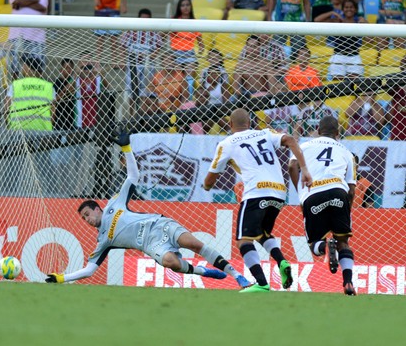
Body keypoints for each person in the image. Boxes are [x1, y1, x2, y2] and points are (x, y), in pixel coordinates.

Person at [45, 127, 252, 289]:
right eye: (84, 219)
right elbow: (89, 270)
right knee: (171, 261)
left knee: (194, 244)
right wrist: (62, 278)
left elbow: (133, 177)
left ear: (98, 208)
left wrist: (126, 149)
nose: (87, 220)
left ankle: (237, 276)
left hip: (159, 224)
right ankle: (201, 272)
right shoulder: (103, 240)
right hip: (152, 245)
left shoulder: (114, 203)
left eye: (87, 214)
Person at [203, 108, 313, 293]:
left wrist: (206, 186)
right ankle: (282, 261)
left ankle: (261, 282)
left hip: (256, 192)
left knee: (243, 241)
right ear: (250, 123)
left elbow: (209, 180)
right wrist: (305, 169)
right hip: (278, 192)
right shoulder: (265, 133)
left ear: (230, 125)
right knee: (261, 233)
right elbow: (291, 140)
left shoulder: (226, 143)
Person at [287, 115, 357, 295]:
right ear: (338, 133)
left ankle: (325, 247)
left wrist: (302, 195)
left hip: (313, 194)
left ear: (318, 131)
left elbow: (291, 167)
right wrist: (345, 208)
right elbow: (351, 190)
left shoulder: (304, 146)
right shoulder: (346, 152)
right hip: (338, 193)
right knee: (343, 241)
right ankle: (348, 282)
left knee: (314, 245)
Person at [119, 8, 163, 117]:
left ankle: (141, 114)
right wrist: (123, 59)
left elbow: (159, 48)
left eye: (147, 19)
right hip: (133, 63)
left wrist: (148, 57)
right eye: (142, 19)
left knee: (144, 91)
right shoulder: (131, 30)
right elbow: (122, 45)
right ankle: (131, 115)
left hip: (148, 65)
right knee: (131, 90)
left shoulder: (153, 32)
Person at [8, 0, 48, 78]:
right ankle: (14, 92)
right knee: (14, 67)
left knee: (38, 67)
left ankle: (35, 92)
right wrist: (35, 0)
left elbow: (42, 8)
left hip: (37, 36)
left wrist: (22, 1)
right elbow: (16, 2)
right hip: (17, 34)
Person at [316, 0, 366, 80]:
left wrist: (365, 22)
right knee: (338, 87)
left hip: (354, 56)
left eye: (351, 7)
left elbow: (370, 35)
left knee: (354, 85)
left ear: (356, 9)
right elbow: (317, 20)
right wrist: (332, 12)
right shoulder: (337, 21)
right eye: (346, 7)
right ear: (342, 9)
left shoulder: (359, 21)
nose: (349, 9)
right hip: (338, 56)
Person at [6, 55, 55, 131]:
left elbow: (7, 107)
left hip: (18, 130)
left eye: (24, 65)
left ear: (28, 68)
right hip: (43, 131)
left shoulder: (15, 85)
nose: (22, 68)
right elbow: (53, 112)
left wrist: (9, 124)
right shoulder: (49, 87)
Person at [171, 0, 204, 98]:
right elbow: (163, 34)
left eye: (187, 5)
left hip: (189, 53)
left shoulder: (195, 22)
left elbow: (201, 43)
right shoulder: (174, 20)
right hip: (175, 53)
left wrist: (200, 52)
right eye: (183, 5)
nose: (185, 7)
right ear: (179, 7)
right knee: (178, 79)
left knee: (189, 78)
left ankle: (188, 101)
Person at [53, 58, 76, 131]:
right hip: (60, 120)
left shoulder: (74, 82)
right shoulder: (58, 82)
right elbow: (56, 98)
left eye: (70, 68)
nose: (69, 70)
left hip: (71, 119)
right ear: (61, 69)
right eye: (66, 68)